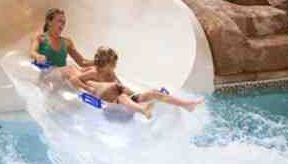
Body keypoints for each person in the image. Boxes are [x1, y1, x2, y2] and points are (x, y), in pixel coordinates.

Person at [73, 47, 204, 120]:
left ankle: (187, 105)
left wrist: (127, 90)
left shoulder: (111, 73)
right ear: (104, 63)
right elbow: (76, 79)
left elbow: (119, 85)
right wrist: (88, 89)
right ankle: (143, 110)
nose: (114, 66)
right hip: (114, 102)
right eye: (112, 64)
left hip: (126, 97)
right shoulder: (94, 73)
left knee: (152, 93)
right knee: (122, 97)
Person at [30, 8, 93, 88]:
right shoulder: (40, 37)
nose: (62, 25)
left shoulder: (67, 42)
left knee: (90, 70)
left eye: (64, 23)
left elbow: (82, 62)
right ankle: (91, 89)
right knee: (71, 68)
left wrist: (99, 62)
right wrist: (38, 56)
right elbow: (32, 52)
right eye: (59, 21)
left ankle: (98, 90)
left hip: (62, 79)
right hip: (47, 78)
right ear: (49, 22)